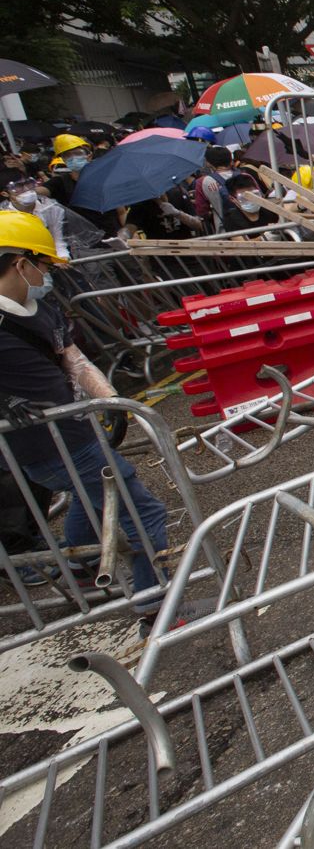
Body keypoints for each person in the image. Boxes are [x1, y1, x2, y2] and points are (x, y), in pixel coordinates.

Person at [0, 212, 170, 633]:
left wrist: (114, 401)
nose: (47, 274)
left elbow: (72, 359)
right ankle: (157, 608)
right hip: (47, 446)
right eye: (42, 264)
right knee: (143, 511)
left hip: (76, 432)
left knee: (87, 494)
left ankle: (85, 560)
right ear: (21, 263)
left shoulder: (40, 307)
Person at [193, 145, 237, 234]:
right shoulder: (245, 176)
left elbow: (202, 211)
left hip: (224, 231)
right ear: (230, 160)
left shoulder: (202, 182)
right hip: (254, 229)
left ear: (208, 163)